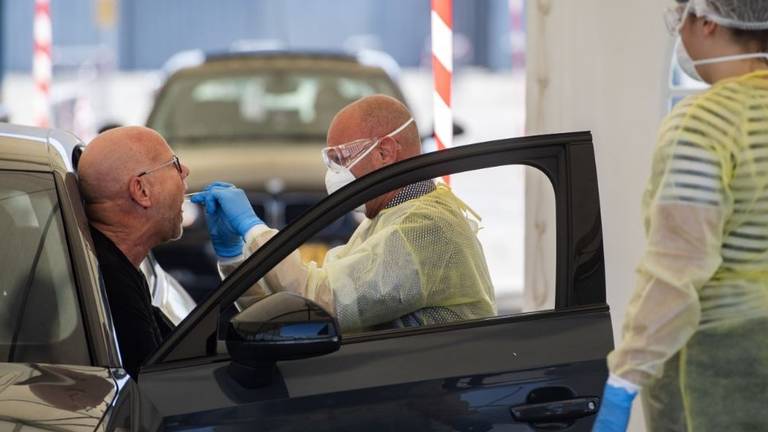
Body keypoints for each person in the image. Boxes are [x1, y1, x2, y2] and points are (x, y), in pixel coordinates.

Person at [593, 1, 768, 431]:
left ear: (707, 20)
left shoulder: (706, 123)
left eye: (680, 18)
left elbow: (676, 268)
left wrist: (625, 377)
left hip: (725, 369)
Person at [193, 95, 496, 332]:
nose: (334, 171)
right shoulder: (384, 221)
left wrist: (254, 229)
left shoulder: (426, 228)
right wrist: (234, 260)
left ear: (384, 152)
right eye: (331, 159)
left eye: (341, 157)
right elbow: (291, 314)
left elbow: (321, 302)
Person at [78, 126, 191, 378]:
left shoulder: (113, 265)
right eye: (174, 164)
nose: (185, 172)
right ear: (141, 191)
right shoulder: (109, 288)